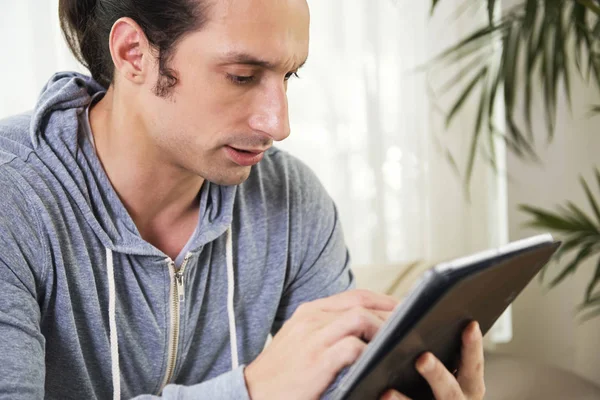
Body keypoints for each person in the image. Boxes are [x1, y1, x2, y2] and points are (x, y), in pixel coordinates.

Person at [0, 0, 486, 399]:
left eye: (289, 76)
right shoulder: (13, 200)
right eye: (242, 76)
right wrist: (251, 391)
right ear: (133, 54)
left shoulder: (290, 199)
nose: (279, 125)